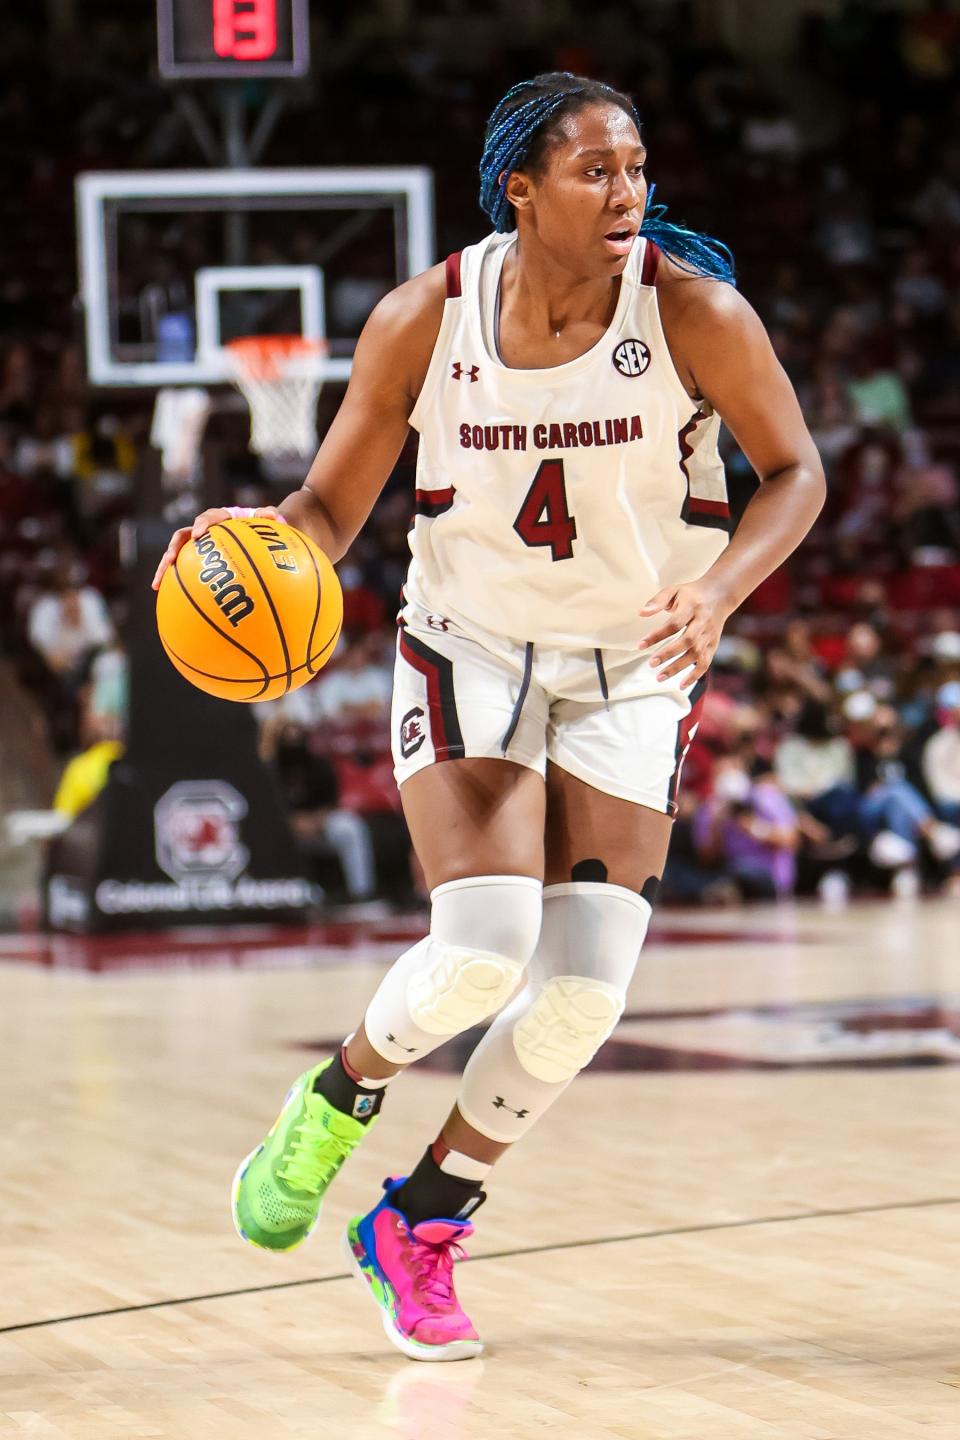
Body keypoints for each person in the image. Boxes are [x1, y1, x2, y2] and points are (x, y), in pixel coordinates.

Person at [153, 72, 825, 1361]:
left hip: (635, 660)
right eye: (594, 170)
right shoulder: (425, 318)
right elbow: (326, 510)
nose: (627, 191)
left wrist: (724, 590)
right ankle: (338, 1095)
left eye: (635, 165)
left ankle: (421, 1220)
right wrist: (240, 548)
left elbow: (797, 470)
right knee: (480, 952)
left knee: (578, 1001)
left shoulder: (696, 312)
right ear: (519, 190)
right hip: (472, 645)